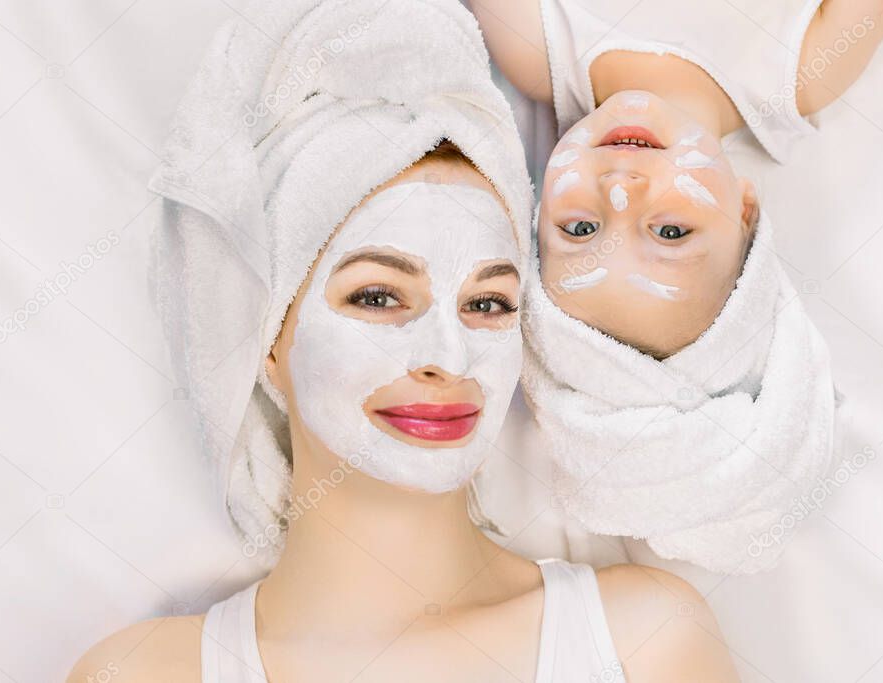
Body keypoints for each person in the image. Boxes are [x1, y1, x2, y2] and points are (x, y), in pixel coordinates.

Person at [68, 1, 741, 680]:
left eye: (487, 303)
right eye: (379, 297)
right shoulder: (142, 672)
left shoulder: (645, 639)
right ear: (269, 338)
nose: (447, 360)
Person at [471, 0, 883, 573]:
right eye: (670, 231)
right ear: (746, 213)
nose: (621, 188)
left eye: (580, 228)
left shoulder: (537, 46)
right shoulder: (797, 71)